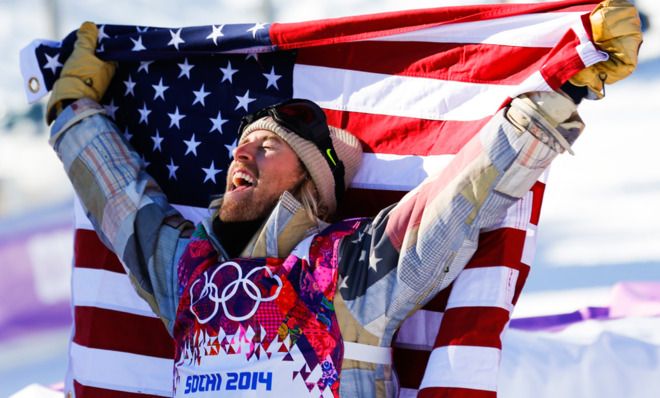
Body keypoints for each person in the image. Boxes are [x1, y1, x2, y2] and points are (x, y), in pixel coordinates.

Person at [45, 3, 641, 396]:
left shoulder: (345, 272)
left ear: (312, 189)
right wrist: (72, 109)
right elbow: (121, 198)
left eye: (266, 147)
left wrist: (562, 87)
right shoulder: (187, 274)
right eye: (241, 146)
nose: (240, 156)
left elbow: (462, 197)